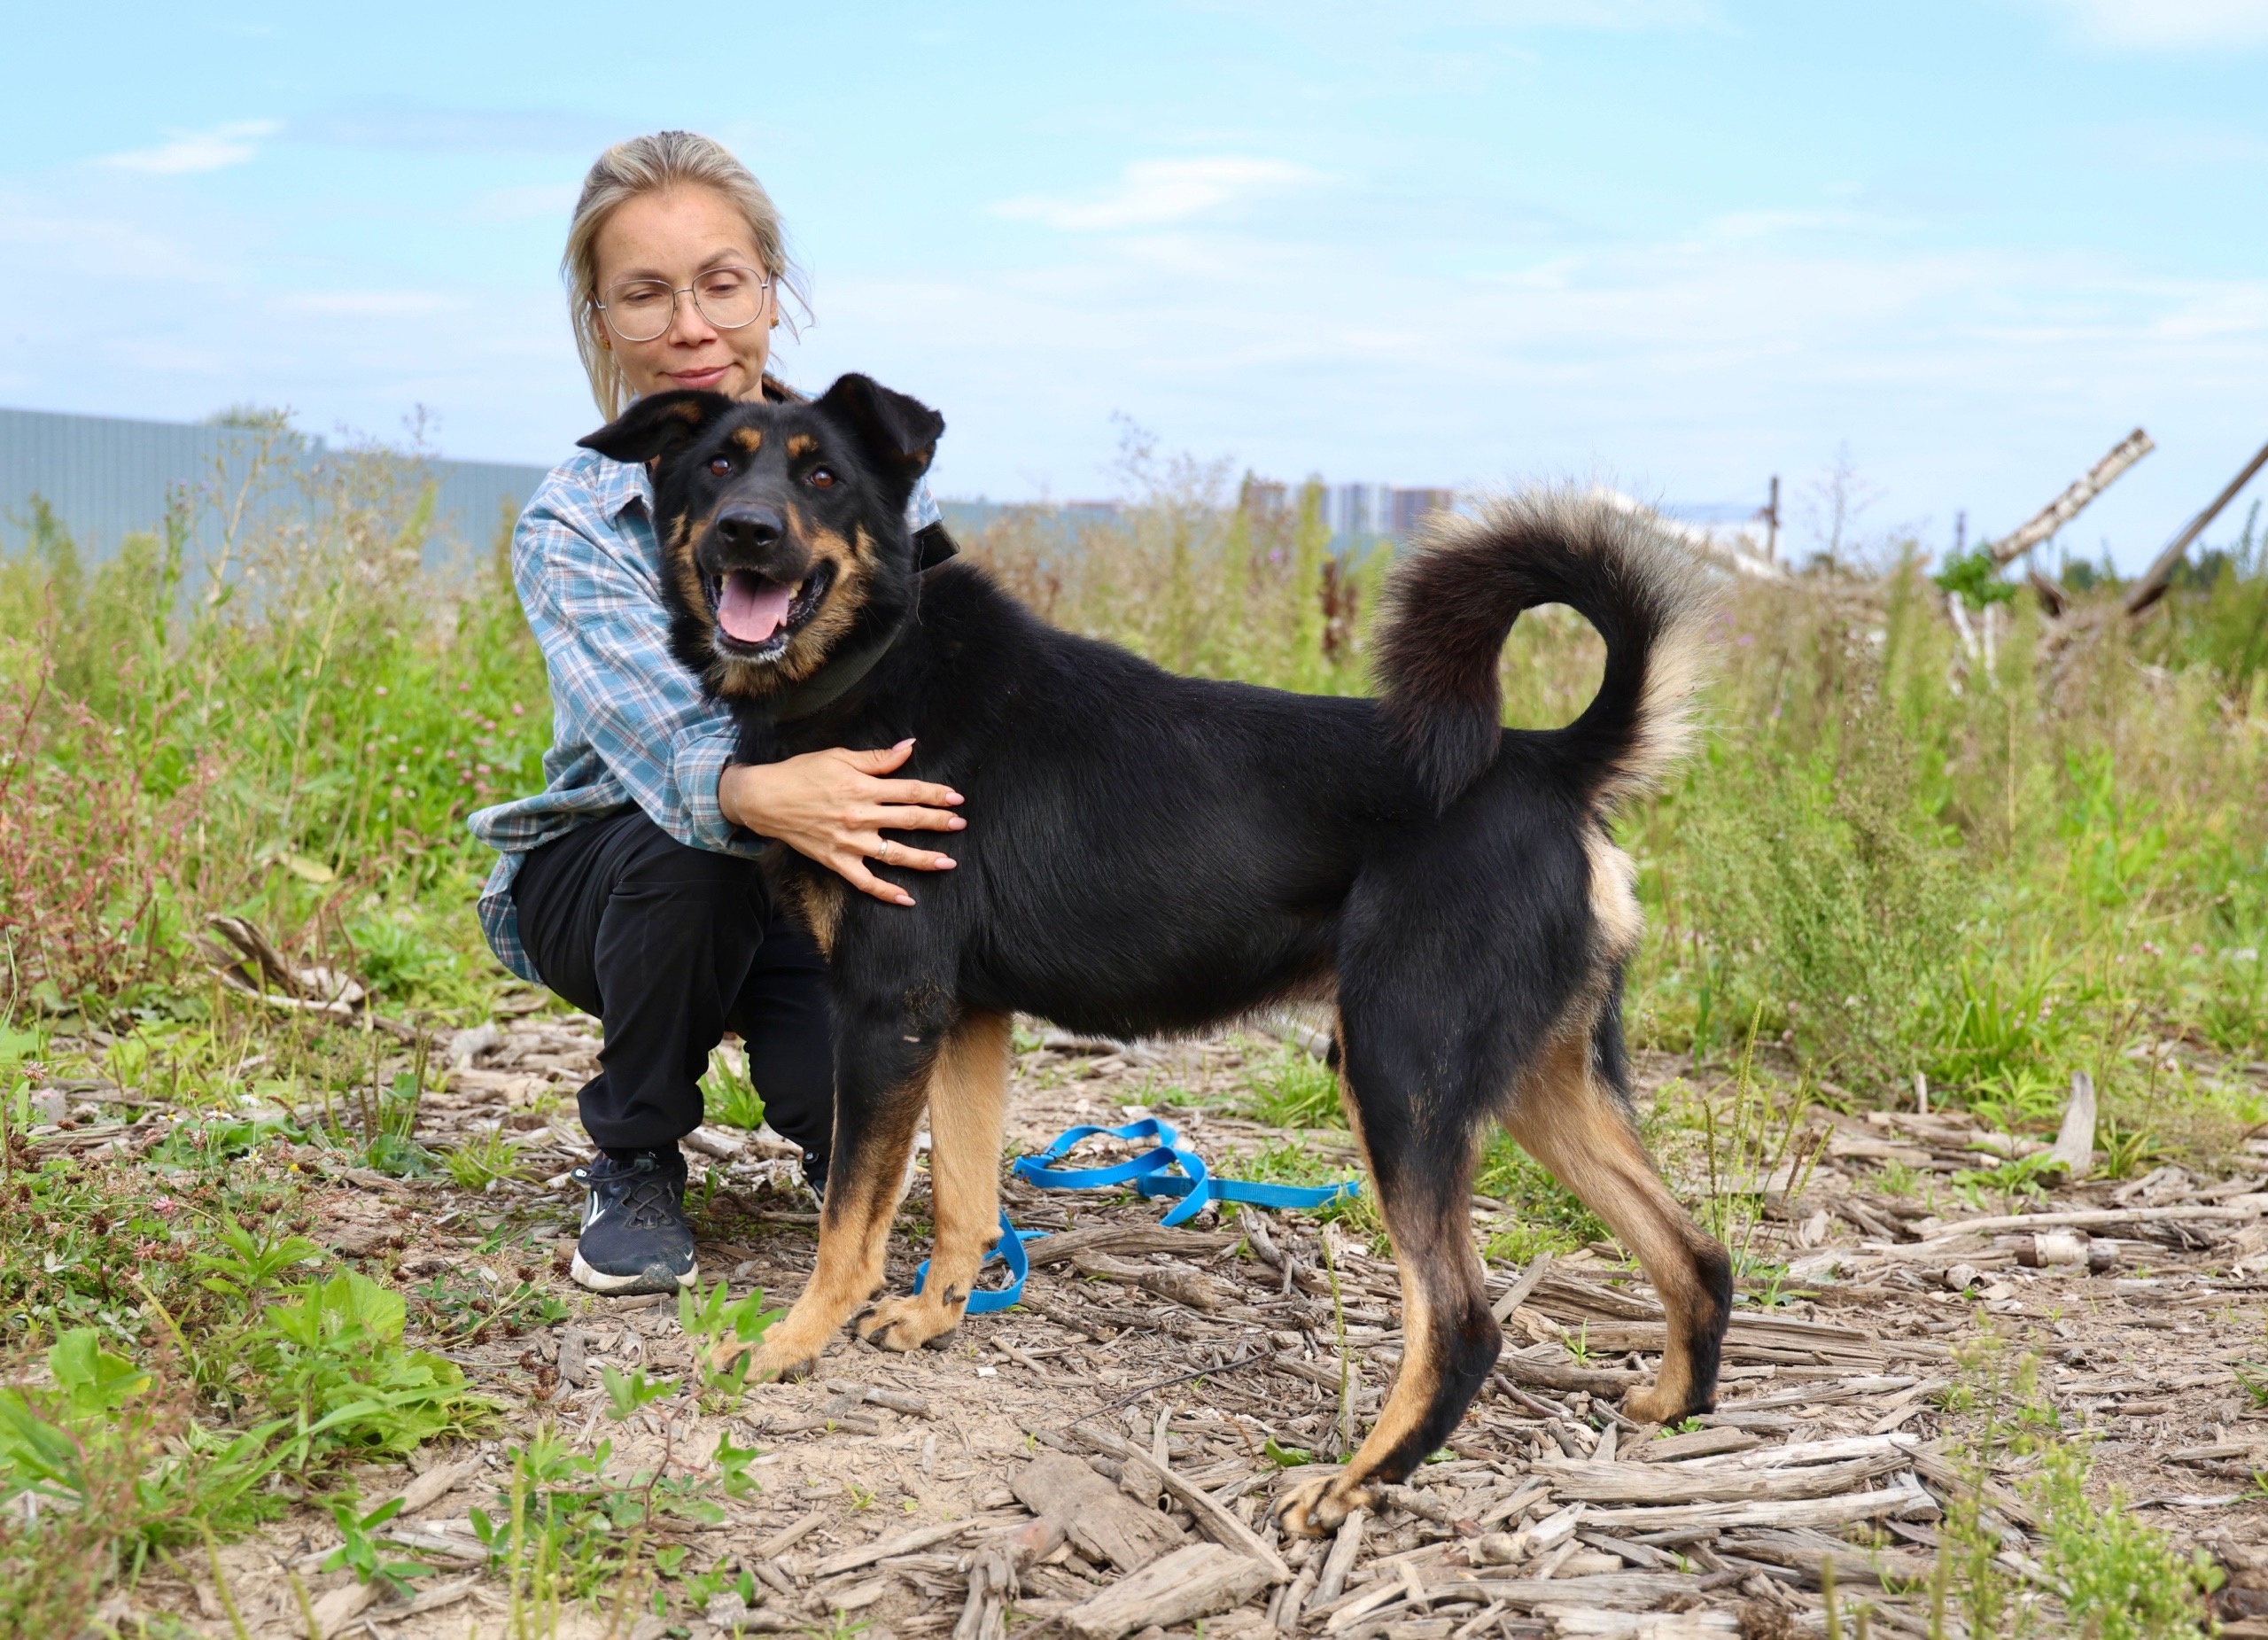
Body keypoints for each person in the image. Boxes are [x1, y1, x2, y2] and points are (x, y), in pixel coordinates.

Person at [469, 131, 966, 1296]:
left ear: (772, 293)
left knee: (841, 1097)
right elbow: (669, 750)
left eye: (721, 283)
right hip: (620, 868)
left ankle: (837, 1138)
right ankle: (634, 1152)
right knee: (690, 854)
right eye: (646, 294)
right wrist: (765, 790)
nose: (691, 326)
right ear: (602, 321)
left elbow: (937, 677)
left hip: (810, 854)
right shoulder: (576, 518)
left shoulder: (872, 465)